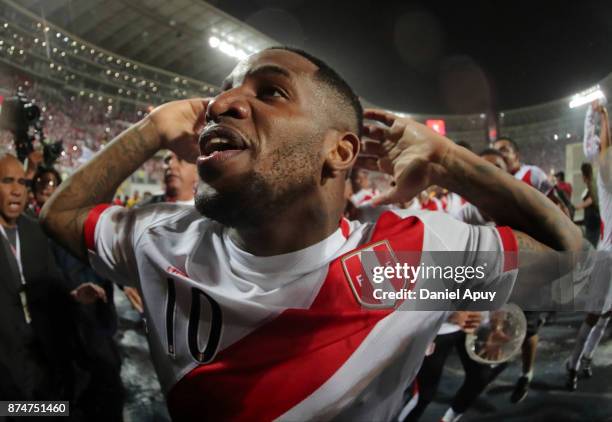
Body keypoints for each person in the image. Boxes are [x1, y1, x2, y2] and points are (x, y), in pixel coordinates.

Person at [41, 47, 582, 421]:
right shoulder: (163, 238)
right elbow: (60, 216)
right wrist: (152, 128)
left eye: (271, 91)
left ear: (340, 152)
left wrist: (449, 160)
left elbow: (572, 268)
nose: (219, 104)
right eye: (225, 92)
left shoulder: (408, 260)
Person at [0, 153, 104, 402]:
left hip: (40, 364)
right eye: (7, 181)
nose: (17, 190)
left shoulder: (35, 231)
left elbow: (52, 284)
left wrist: (75, 296)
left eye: (22, 183)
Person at [30, 165, 125, 421]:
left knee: (105, 394)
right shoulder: (30, 231)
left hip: (94, 333)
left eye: (54, 185)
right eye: (43, 185)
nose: (49, 190)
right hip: (63, 335)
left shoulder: (86, 229)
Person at [492, 136, 563, 403]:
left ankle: (527, 373)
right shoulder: (490, 182)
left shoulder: (531, 174)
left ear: (516, 155)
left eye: (504, 150)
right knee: (498, 316)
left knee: (529, 327)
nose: (499, 155)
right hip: (501, 260)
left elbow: (556, 208)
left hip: (529, 262)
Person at [566, 100, 612, 391]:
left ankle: (586, 359)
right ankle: (572, 362)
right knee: (595, 314)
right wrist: (598, 116)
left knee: (607, 316)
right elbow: (601, 149)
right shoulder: (605, 177)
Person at [576, 162, 600, 248]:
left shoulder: (592, 184)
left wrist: (579, 206)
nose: (581, 177)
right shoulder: (591, 184)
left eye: (582, 174)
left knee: (590, 249)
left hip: (593, 223)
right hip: (591, 223)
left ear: (585, 175)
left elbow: (592, 199)